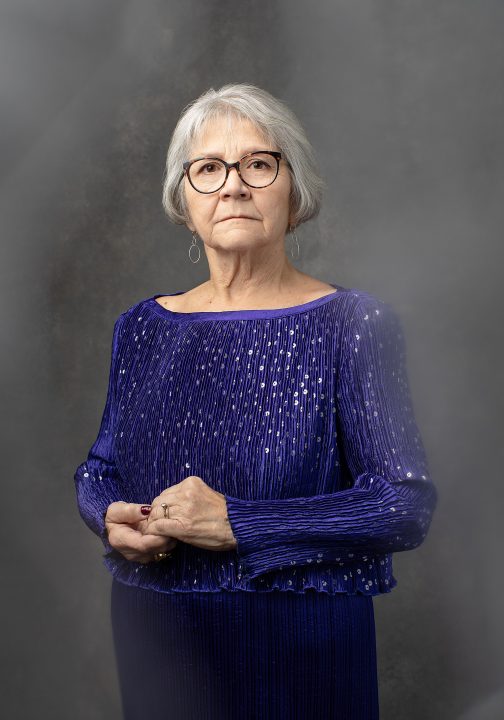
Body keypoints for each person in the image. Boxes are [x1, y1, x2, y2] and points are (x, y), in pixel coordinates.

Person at [74, 83, 438, 720]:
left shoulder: (351, 324)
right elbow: (99, 469)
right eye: (209, 168)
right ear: (184, 201)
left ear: (293, 193)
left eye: (258, 164)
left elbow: (402, 506)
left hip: (302, 649)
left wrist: (238, 523)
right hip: (158, 639)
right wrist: (108, 515)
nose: (233, 186)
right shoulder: (141, 328)